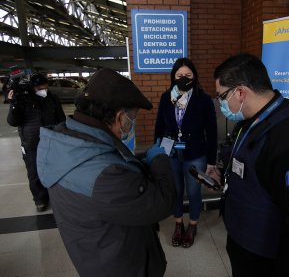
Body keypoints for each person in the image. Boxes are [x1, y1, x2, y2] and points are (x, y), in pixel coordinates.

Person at [36, 68, 176, 277]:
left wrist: (136, 163)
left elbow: (102, 166)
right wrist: (160, 159)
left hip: (94, 255)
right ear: (120, 117)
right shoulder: (106, 176)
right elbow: (162, 203)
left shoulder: (61, 142)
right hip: (123, 265)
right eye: (133, 118)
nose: (131, 124)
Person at [209, 53, 289, 276]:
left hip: (268, 260)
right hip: (244, 244)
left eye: (221, 96)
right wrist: (223, 173)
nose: (221, 103)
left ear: (240, 92)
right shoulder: (250, 121)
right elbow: (253, 170)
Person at [155, 58, 218, 248]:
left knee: (193, 191)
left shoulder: (204, 99)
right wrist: (158, 153)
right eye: (180, 75)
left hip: (196, 153)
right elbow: (159, 126)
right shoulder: (167, 98)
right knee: (175, 191)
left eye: (188, 75)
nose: (184, 78)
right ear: (173, 77)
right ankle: (178, 224)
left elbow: (212, 131)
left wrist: (211, 160)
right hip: (172, 152)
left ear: (195, 77)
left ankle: (192, 225)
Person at [7, 73, 66, 212]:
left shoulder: (52, 99)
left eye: (45, 86)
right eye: (39, 87)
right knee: (34, 173)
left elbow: (61, 119)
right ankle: (40, 199)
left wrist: (62, 136)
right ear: (32, 87)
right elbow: (12, 122)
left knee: (54, 170)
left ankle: (54, 196)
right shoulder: (22, 100)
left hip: (51, 141)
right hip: (31, 143)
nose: (43, 90)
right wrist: (13, 104)